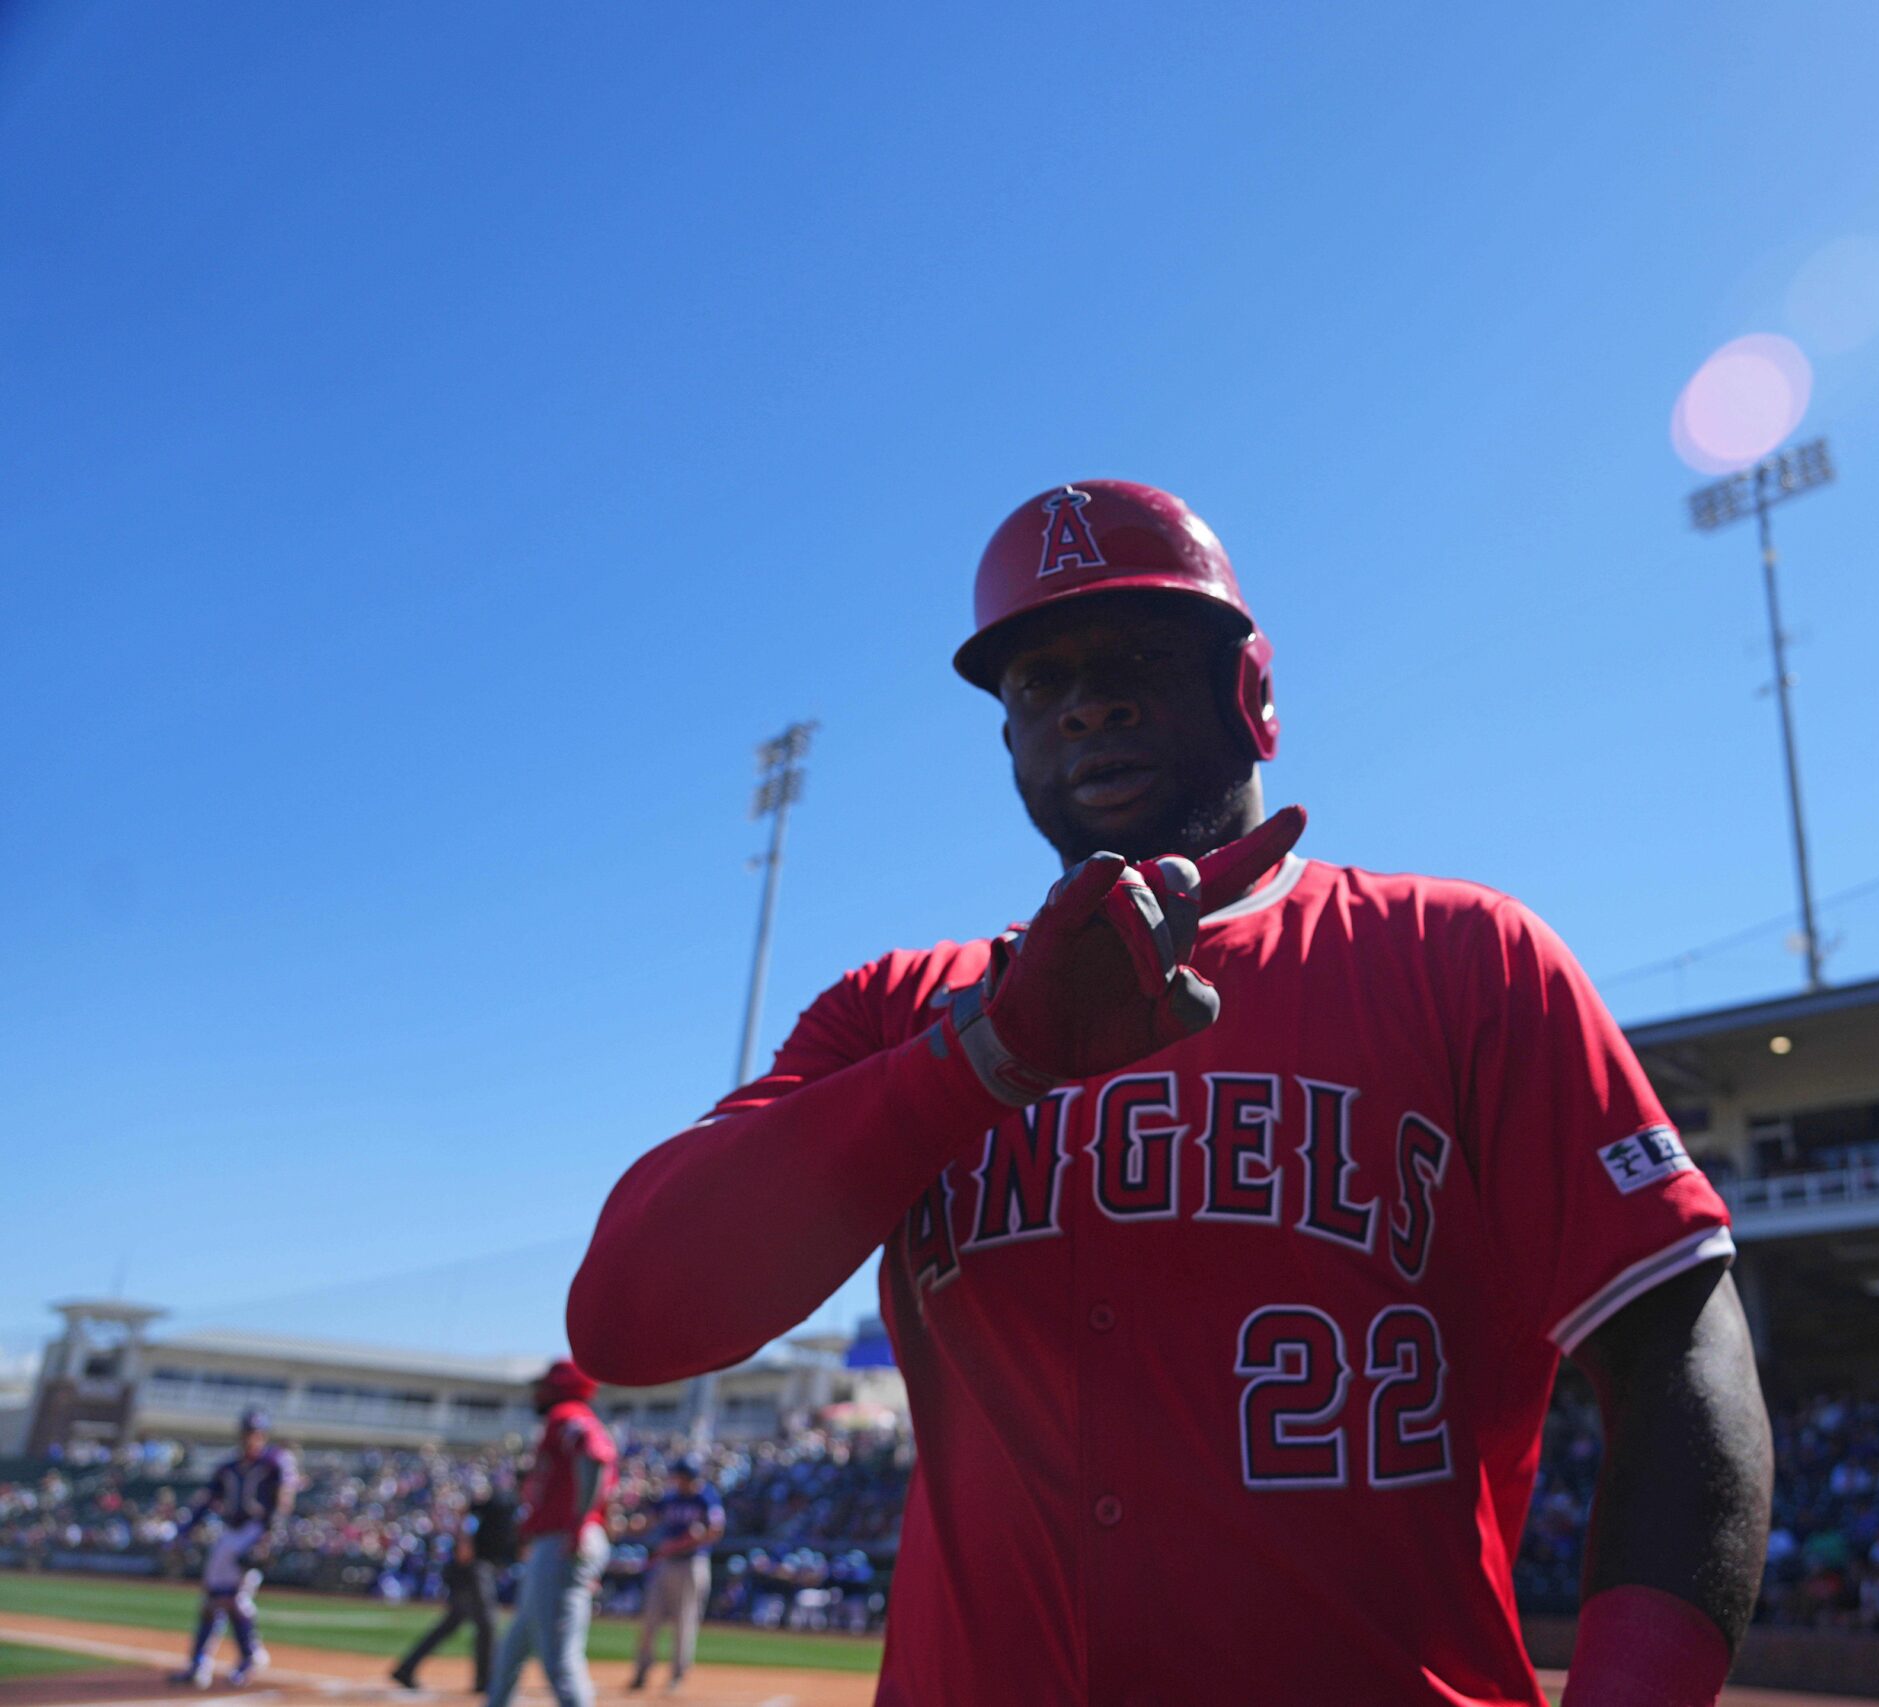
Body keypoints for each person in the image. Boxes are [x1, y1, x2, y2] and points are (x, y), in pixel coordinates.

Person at [569, 481, 1772, 1706]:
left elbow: (1679, 1346)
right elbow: (628, 1319)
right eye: (1039, 681)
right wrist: (987, 1059)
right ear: (1010, 742)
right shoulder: (902, 1011)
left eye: (1138, 652)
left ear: (1249, 691)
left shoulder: (1465, 957)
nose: (1088, 700)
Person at [488, 1360, 618, 1707]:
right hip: (557, 1539)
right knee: (514, 1645)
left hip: (565, 1539)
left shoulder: (567, 1413)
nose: (538, 1392)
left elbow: (595, 1455)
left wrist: (578, 1523)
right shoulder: (563, 1417)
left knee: (560, 1660)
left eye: (545, 1385)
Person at [166, 1408, 295, 1689]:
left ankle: (249, 1656)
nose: (251, 1438)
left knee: (235, 1599)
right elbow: (206, 1501)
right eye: (248, 1432)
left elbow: (282, 1500)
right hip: (230, 1533)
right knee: (211, 1601)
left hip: (255, 1530)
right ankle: (200, 1664)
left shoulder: (274, 1462)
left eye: (256, 1433)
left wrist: (268, 1538)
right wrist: (185, 1531)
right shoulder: (228, 1467)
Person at [389, 1471, 516, 1692]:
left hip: (482, 1568)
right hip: (474, 1567)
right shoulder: (504, 1500)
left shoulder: (519, 1506)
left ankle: (406, 1668)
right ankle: (484, 1682)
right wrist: (464, 1541)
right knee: (487, 1622)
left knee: (453, 1621)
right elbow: (467, 1511)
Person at [627, 1455, 724, 1692]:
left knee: (684, 1621)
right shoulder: (671, 1497)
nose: (675, 1480)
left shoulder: (705, 1497)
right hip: (666, 1564)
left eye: (678, 1476)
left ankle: (677, 1675)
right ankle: (642, 1671)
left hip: (691, 1564)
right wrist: (631, 1523)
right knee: (651, 1618)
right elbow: (649, 1520)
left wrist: (686, 1541)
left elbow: (715, 1529)